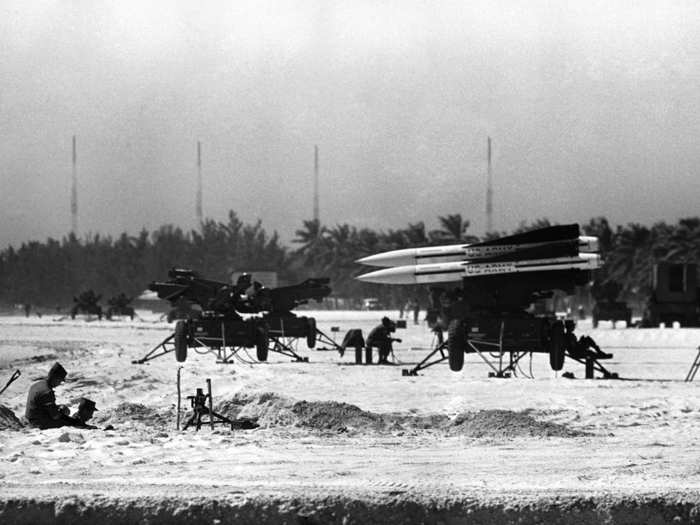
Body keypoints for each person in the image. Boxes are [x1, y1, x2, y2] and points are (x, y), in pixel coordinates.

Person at [25, 362, 81, 429]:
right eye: (60, 381)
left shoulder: (38, 384)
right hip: (38, 423)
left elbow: (43, 405)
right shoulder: (47, 391)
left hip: (30, 417)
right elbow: (55, 416)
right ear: (55, 378)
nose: (60, 383)